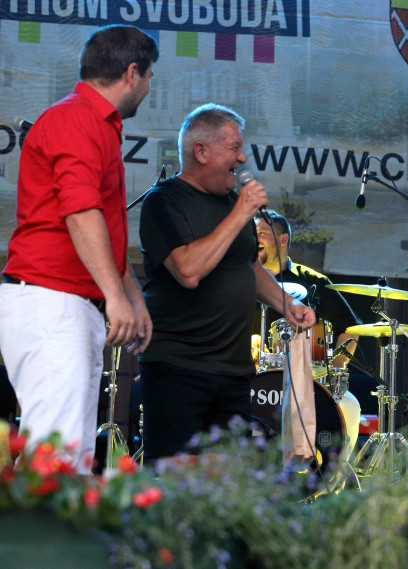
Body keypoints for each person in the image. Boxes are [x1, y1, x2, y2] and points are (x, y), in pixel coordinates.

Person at [0, 25, 158, 474]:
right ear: (131, 72)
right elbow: (81, 212)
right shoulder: (76, 118)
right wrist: (115, 296)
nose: (150, 88)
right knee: (55, 461)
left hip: (65, 304)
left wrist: (131, 296)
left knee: (68, 457)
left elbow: (102, 226)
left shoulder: (95, 123)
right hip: (51, 301)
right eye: (150, 77)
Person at [138, 104, 316, 461]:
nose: (242, 157)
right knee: (174, 476)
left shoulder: (233, 202)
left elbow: (248, 265)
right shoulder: (163, 202)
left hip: (232, 371)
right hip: (178, 368)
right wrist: (240, 214)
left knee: (226, 480)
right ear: (201, 151)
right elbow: (188, 271)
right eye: (234, 147)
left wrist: (287, 304)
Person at [254, 213, 362, 368]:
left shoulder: (313, 281)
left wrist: (334, 370)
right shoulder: (240, 281)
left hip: (301, 376)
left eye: (261, 233)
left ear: (283, 240)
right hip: (247, 378)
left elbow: (350, 329)